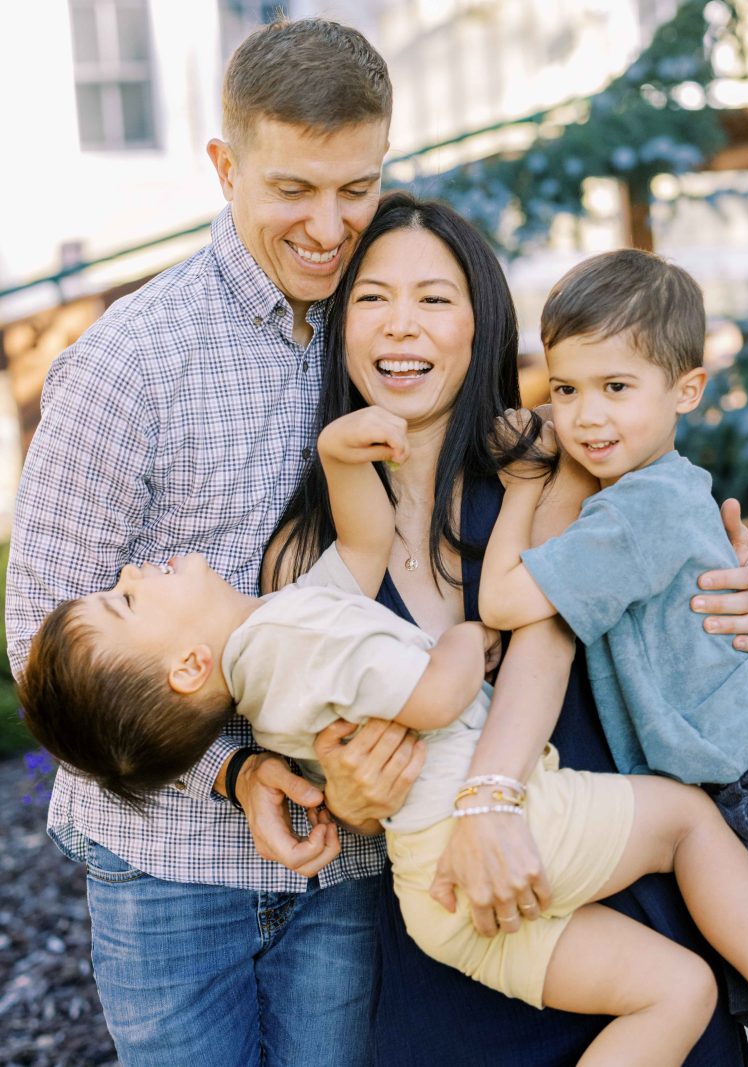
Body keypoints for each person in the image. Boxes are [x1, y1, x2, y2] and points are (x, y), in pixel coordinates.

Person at [16, 402, 748, 1066]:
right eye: (125, 600)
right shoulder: (288, 640)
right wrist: (465, 639)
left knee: (677, 989)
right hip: (499, 827)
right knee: (686, 823)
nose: (133, 571)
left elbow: (362, 546)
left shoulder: (276, 645)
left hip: (436, 896)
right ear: (189, 666)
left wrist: (339, 458)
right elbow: (434, 696)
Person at [263, 192, 748, 1065]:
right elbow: (334, 760)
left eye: (435, 298)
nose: (401, 325)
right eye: (372, 297)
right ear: (340, 325)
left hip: (618, 905)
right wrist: (347, 794)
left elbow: (551, 638)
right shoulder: (304, 551)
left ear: (481, 326)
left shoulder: (553, 464)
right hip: (466, 945)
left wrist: (490, 799)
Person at [4, 18, 415, 1067]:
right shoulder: (126, 366)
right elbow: (41, 635)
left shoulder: (395, 322)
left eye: (357, 187)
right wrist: (232, 771)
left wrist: (706, 574)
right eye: (293, 189)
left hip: (349, 858)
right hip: (169, 871)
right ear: (226, 168)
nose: (329, 226)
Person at [479, 248, 748, 1016]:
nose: (586, 416)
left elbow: (501, 600)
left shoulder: (637, 510)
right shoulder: (658, 485)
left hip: (744, 778)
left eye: (616, 387)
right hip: (743, 763)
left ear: (687, 389)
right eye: (566, 389)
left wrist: (520, 488)